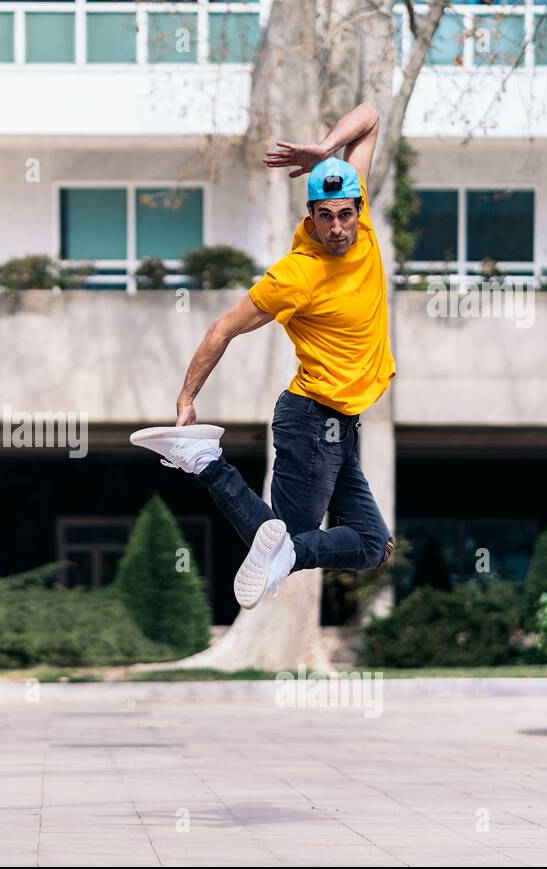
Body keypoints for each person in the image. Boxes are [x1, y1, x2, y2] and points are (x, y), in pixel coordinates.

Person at [131, 102, 396, 610]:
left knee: (369, 544)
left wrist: (324, 150)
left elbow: (370, 115)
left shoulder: (359, 230)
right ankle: (204, 460)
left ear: (359, 209)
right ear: (311, 218)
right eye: (326, 217)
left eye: (345, 214)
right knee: (281, 541)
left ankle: (208, 467)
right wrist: (187, 397)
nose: (337, 228)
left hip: (342, 427)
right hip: (310, 420)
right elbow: (222, 329)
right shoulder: (295, 275)